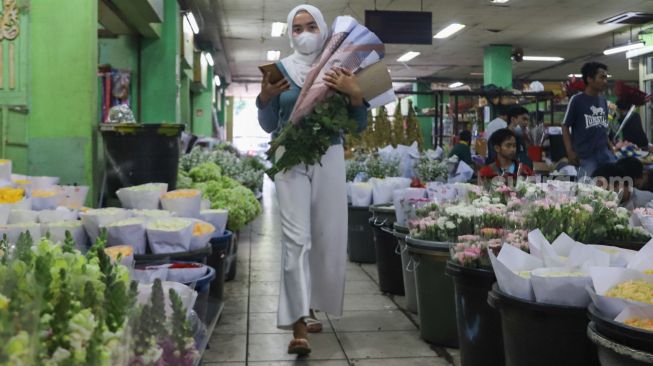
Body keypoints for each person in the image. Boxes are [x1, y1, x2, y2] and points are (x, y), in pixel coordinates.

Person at [256, 5, 368, 356]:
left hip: (330, 155)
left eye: (310, 26)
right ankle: (298, 325)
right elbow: (268, 123)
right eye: (298, 28)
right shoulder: (283, 70)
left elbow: (359, 125)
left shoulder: (339, 67)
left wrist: (354, 94)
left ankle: (313, 302)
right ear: (290, 33)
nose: (304, 34)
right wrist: (265, 98)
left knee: (326, 236)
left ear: (322, 29)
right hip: (290, 158)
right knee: (296, 239)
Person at [562, 62, 615, 177]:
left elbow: (603, 127)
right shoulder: (576, 100)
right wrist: (570, 151)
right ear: (590, 79)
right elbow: (565, 126)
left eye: (606, 77)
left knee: (613, 184)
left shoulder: (603, 101)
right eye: (602, 77)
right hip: (585, 156)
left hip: (604, 154)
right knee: (586, 189)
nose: (605, 81)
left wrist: (610, 146)